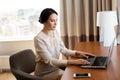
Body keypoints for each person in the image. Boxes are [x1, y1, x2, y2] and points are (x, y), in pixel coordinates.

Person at [34, 8, 95, 80]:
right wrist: (74, 62)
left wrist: (77, 53)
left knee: (81, 74)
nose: (56, 23)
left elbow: (64, 50)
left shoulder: (55, 32)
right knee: (72, 77)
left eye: (56, 20)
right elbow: (49, 61)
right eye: (52, 20)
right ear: (44, 21)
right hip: (44, 73)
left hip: (56, 69)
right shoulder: (39, 39)